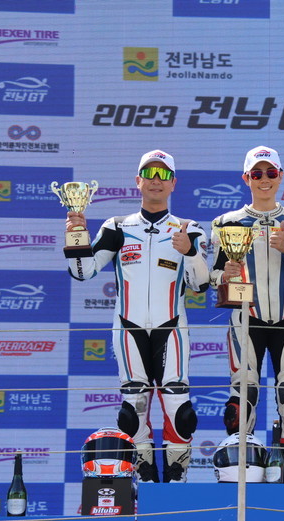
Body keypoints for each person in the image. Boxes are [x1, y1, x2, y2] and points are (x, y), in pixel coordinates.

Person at [65, 149, 210, 483]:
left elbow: (200, 285)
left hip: (171, 328)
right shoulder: (117, 226)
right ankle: (144, 477)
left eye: (163, 175)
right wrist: (76, 236)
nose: (156, 181)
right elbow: (83, 271)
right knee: (133, 411)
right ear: (138, 181)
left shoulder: (189, 228)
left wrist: (189, 251)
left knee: (181, 411)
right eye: (149, 174)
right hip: (128, 328)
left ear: (173, 183)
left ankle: (176, 478)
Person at [210, 146, 284, 483]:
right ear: (246, 178)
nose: (264, 179)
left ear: (281, 176)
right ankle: (241, 475)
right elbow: (212, 277)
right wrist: (224, 275)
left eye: (271, 172)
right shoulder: (226, 223)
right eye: (257, 173)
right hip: (245, 321)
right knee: (241, 400)